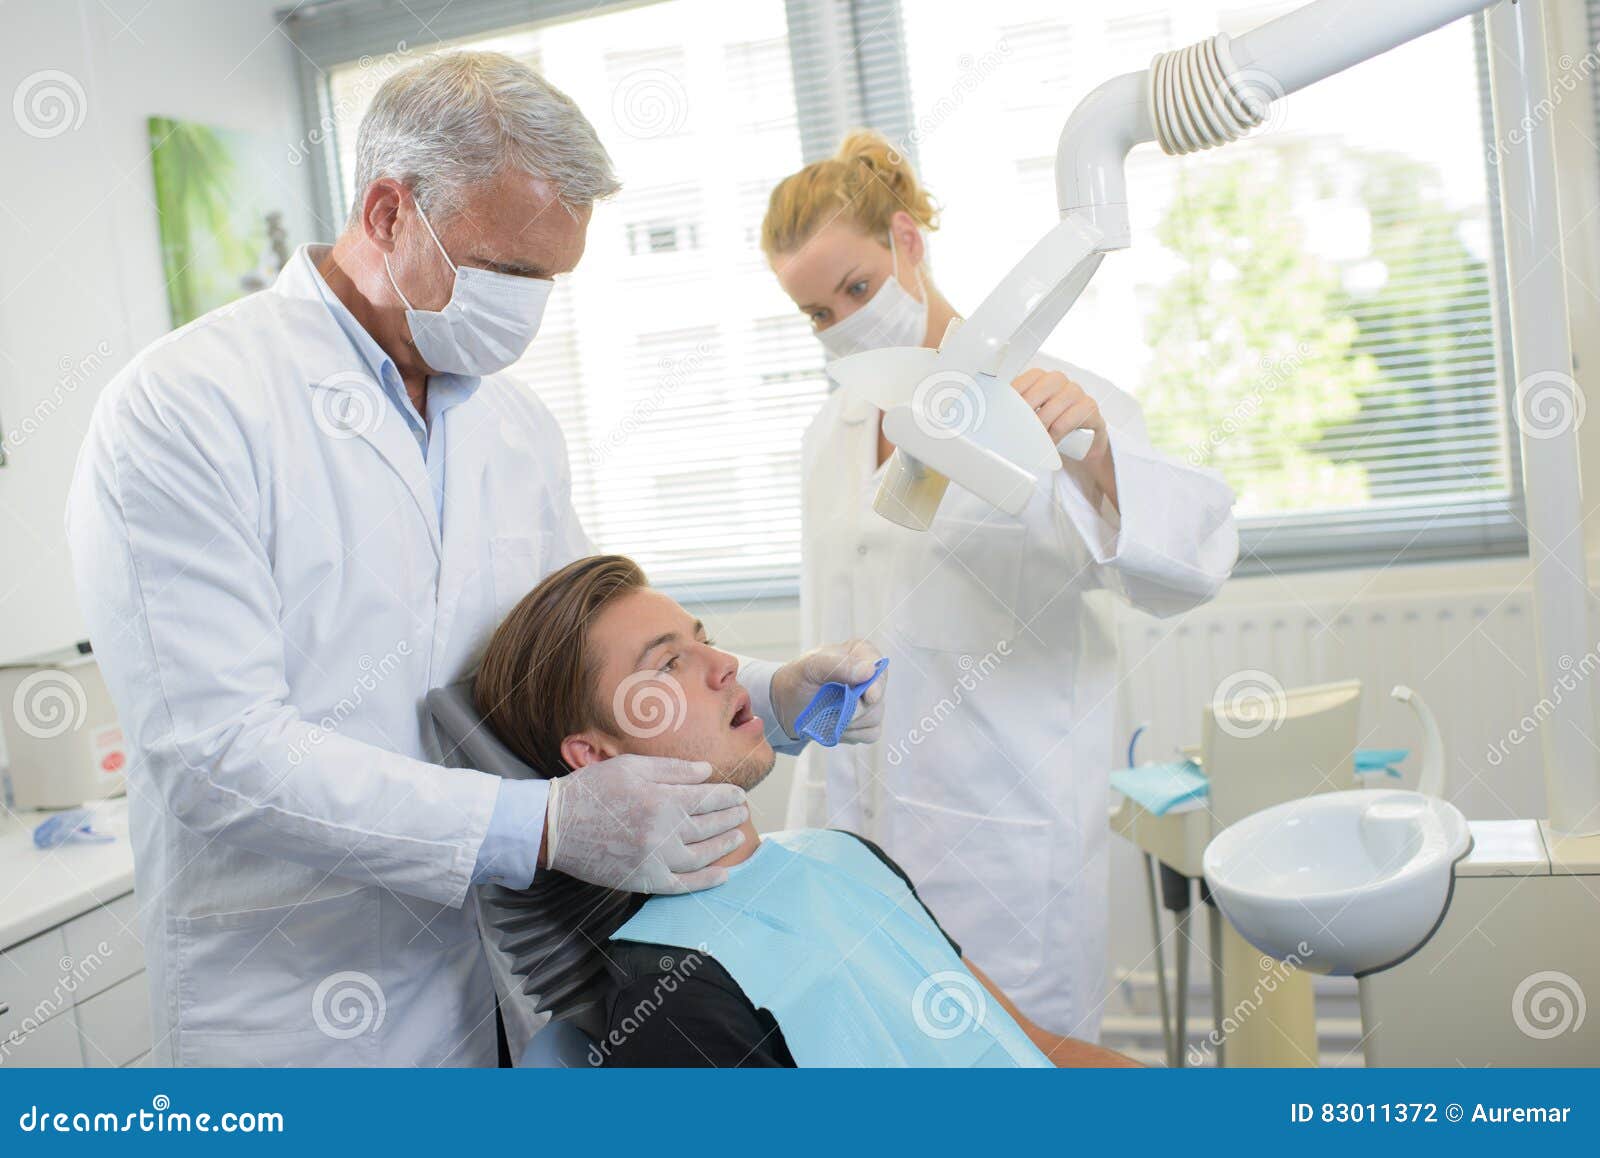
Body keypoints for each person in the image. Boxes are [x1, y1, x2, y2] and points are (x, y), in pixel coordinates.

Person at [63, 52, 885, 1067]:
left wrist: (764, 686)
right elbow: (216, 758)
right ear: (385, 213)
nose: (531, 309)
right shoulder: (187, 408)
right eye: (509, 273)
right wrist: (539, 825)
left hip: (489, 985)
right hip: (289, 1006)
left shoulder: (512, 422)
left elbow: (578, 648)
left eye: (552, 281)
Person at [760, 130, 1239, 1040]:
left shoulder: (1046, 396)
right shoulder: (833, 433)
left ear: (908, 240)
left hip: (1007, 835)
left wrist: (1095, 452)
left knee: (1021, 1068)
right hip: (860, 827)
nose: (843, 323)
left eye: (856, 288)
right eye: (817, 313)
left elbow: (1190, 563)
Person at [475, 555, 1141, 1068]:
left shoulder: (845, 856)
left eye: (702, 639)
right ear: (594, 756)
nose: (726, 666)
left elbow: (1035, 1050)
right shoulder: (673, 993)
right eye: (671, 662)